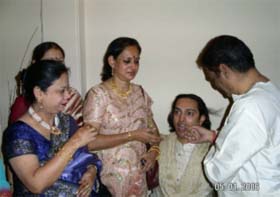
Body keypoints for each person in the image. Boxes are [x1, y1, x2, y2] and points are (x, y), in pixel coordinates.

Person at [188, 35, 280, 196]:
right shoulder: (271, 93)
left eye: (211, 79)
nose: (215, 86)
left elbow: (217, 172)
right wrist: (214, 136)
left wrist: (213, 153)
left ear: (224, 70)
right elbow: (255, 144)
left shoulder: (251, 107)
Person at [3, 60, 102, 196]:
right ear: (39, 93)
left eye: (68, 89)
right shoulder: (17, 134)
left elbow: (86, 157)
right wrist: (74, 142)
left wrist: (91, 171)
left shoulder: (67, 121)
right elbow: (36, 185)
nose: (68, 95)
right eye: (61, 91)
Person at [83, 37, 161, 197]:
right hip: (108, 180)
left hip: (138, 179)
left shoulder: (140, 93)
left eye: (136, 61)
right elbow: (90, 142)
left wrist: (153, 152)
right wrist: (133, 135)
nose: (133, 66)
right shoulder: (98, 94)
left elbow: (154, 134)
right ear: (112, 61)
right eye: (127, 61)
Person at [151, 94, 214, 197]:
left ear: (201, 119)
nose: (181, 120)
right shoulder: (160, 143)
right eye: (177, 112)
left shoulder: (214, 150)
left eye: (189, 113)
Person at [9, 42, 83, 126]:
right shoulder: (23, 102)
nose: (57, 66)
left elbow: (80, 129)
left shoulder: (72, 96)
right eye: (51, 61)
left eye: (60, 62)